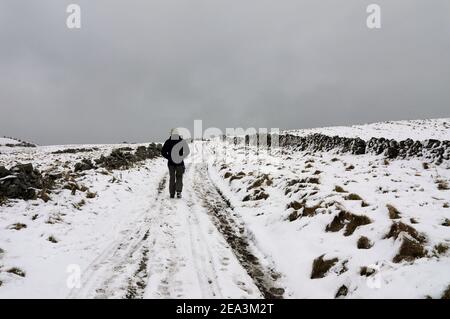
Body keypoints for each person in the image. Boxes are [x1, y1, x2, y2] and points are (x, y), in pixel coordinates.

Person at [161, 128, 190, 198]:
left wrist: (169, 157)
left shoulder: (168, 141)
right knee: (179, 177)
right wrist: (181, 157)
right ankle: (179, 192)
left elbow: (163, 152)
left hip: (171, 163)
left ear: (171, 134)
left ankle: (171, 193)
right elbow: (187, 151)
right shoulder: (182, 141)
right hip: (180, 163)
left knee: (172, 177)